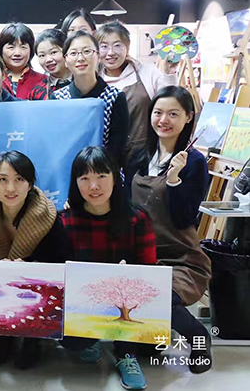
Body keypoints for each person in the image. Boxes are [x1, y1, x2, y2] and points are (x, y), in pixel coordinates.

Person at [126, 85, 212, 374]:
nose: (164, 120)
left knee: (159, 295)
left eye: (173, 114)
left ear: (188, 117)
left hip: (179, 255)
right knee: (145, 347)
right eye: (158, 112)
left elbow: (185, 218)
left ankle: (198, 337)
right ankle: (156, 335)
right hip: (141, 252)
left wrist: (174, 179)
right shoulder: (139, 154)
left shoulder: (194, 162)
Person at [61, 146, 157, 390]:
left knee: (155, 343)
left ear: (115, 177)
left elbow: (150, 270)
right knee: (72, 341)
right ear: (75, 183)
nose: (94, 186)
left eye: (102, 176)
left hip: (126, 300)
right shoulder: (65, 221)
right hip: (84, 301)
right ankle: (91, 340)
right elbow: (58, 272)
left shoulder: (137, 219)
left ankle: (126, 354)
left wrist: (131, 273)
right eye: (85, 178)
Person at [0, 151, 71, 369]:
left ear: (30, 184)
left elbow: (62, 263)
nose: (11, 188)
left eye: (19, 179)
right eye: (3, 180)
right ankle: (2, 340)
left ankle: (33, 341)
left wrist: (28, 270)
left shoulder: (48, 216)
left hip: (36, 293)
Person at [97, 20, 178, 157]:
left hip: (145, 155)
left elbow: (171, 102)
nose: (110, 53)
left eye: (117, 45)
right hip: (106, 157)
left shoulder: (147, 72)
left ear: (127, 47)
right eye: (104, 46)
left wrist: (169, 73)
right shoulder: (94, 81)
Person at [51, 30, 129, 168]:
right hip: (67, 170)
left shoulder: (115, 97)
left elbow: (117, 148)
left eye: (87, 51)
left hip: (105, 172)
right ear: (66, 61)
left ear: (98, 56)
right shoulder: (58, 98)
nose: (80, 58)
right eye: (73, 53)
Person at [0, 23, 46, 99]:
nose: (17, 53)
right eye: (11, 47)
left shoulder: (43, 81)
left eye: (23, 47)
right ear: (1, 50)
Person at [28, 28, 72, 100]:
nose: (48, 60)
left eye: (53, 52)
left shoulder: (84, 83)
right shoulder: (38, 92)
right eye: (42, 55)